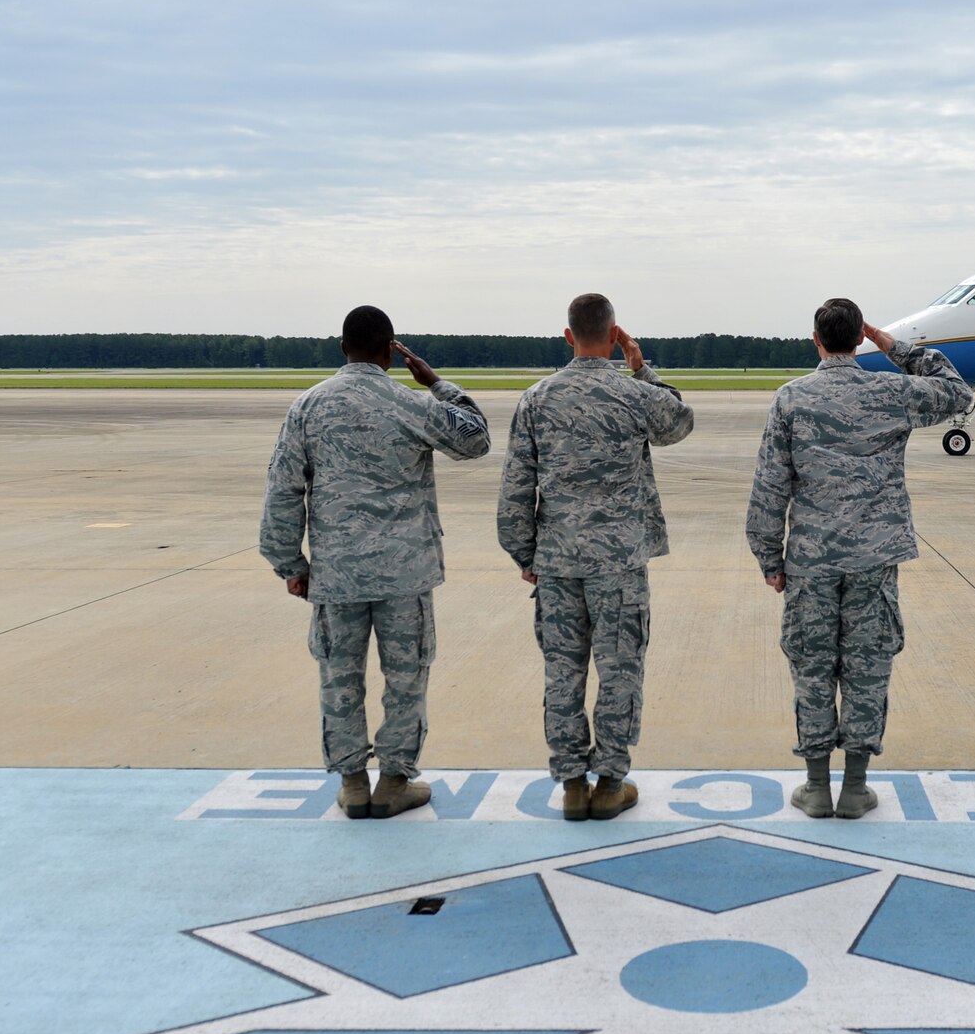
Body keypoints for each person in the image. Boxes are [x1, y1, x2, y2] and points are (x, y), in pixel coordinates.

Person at [260, 306, 491, 821]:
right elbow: (475, 440)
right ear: (391, 351)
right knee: (406, 675)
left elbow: (282, 490)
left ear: (342, 348)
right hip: (404, 573)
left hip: (336, 574)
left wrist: (289, 563)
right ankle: (393, 781)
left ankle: (351, 783)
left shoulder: (309, 406)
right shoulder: (408, 402)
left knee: (339, 677)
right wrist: (437, 384)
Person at [746, 298, 973, 819]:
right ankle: (854, 787)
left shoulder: (792, 399)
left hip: (811, 559)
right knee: (867, 668)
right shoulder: (892, 390)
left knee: (813, 667)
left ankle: (816, 785)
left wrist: (769, 557)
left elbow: (769, 487)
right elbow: (956, 389)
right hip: (874, 557)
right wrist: (892, 344)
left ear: (817, 340)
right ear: (858, 340)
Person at [497, 293, 694, 822]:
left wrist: (523, 551)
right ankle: (610, 782)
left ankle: (571, 786)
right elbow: (680, 421)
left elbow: (516, 488)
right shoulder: (631, 394)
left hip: (558, 562)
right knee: (620, 671)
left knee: (563, 673)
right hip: (619, 563)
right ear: (613, 336)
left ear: (568, 337)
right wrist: (642, 369)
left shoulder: (537, 399)